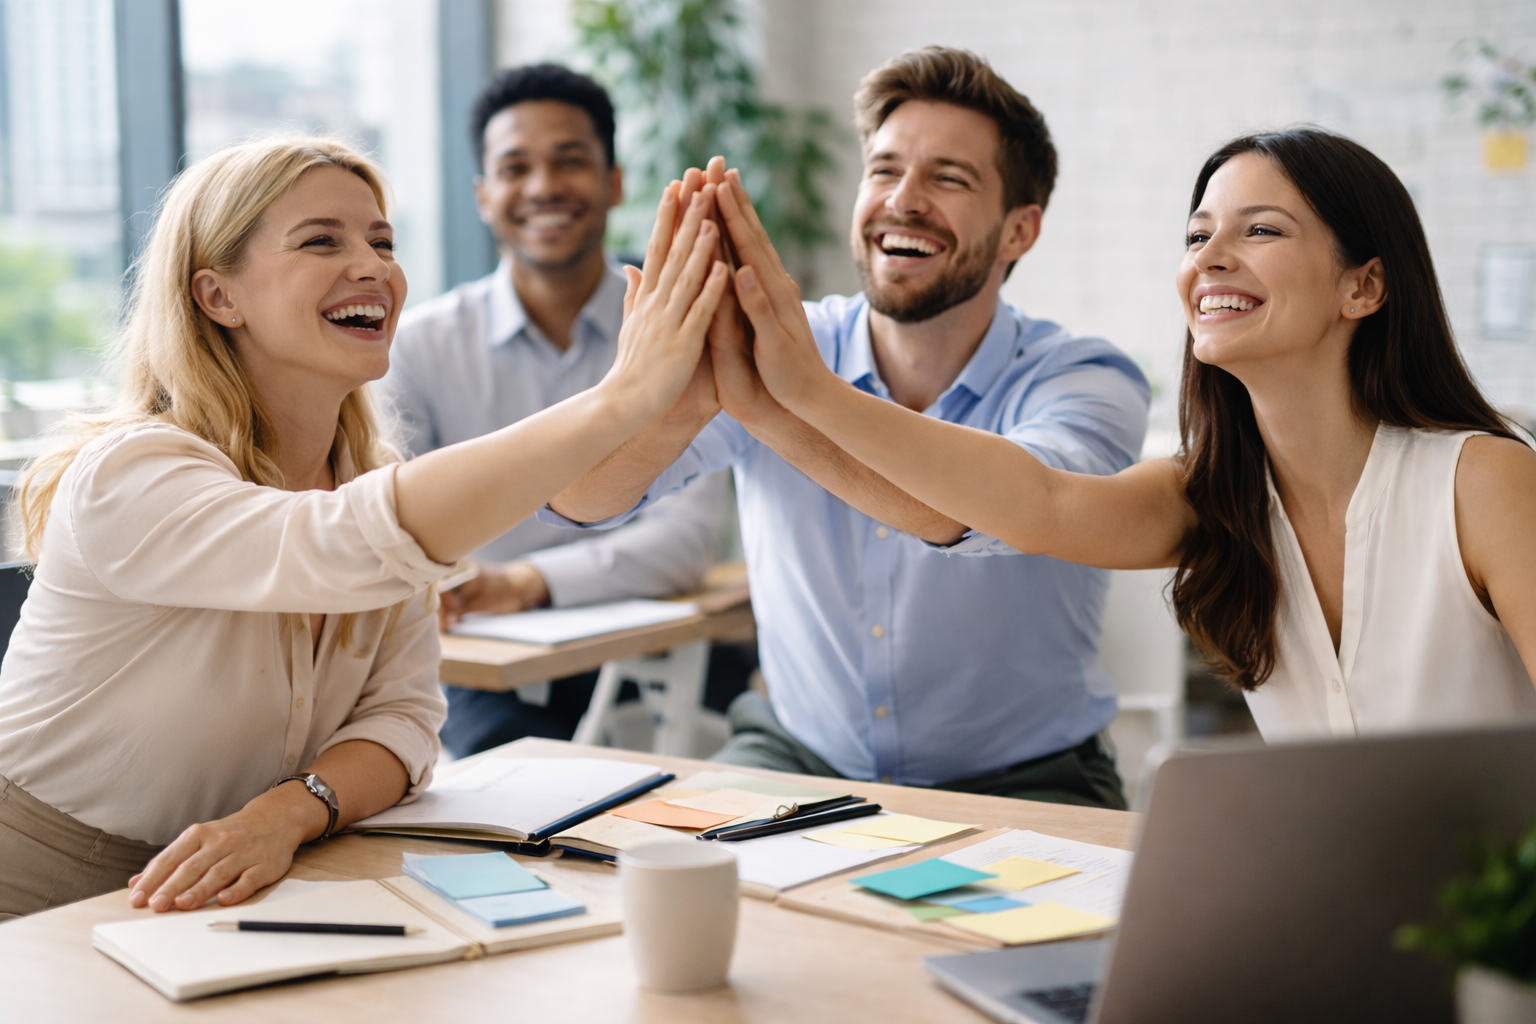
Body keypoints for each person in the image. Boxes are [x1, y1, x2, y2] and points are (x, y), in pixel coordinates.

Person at [0, 136, 729, 919]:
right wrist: (618, 401)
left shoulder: (367, 481)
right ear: (218, 297)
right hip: (37, 882)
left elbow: (405, 718)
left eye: (382, 241)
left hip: (242, 876)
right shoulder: (130, 474)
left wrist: (285, 813)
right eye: (323, 241)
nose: (374, 266)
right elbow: (338, 545)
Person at [722, 125, 1536, 736]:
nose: (1208, 258)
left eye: (1259, 230)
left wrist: (812, 392)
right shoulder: (1207, 496)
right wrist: (784, 402)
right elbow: (1032, 504)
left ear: (1364, 286)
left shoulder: (1485, 483)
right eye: (1196, 235)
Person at [548, 48, 1150, 809]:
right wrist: (656, 398)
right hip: (798, 755)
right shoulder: (778, 346)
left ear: (1018, 231)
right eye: (884, 170)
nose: (903, 199)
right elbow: (581, 494)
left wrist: (794, 401)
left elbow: (994, 515)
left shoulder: (1086, 379)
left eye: (948, 178)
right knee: (658, 890)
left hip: (1030, 779)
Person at [379, 64, 736, 758]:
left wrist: (523, 583)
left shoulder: (681, 331)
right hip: (492, 681)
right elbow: (397, 533)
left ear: (614, 183)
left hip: (651, 659)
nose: (543, 187)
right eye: (516, 168)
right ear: (484, 196)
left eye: (569, 162)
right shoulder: (419, 349)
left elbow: (686, 541)